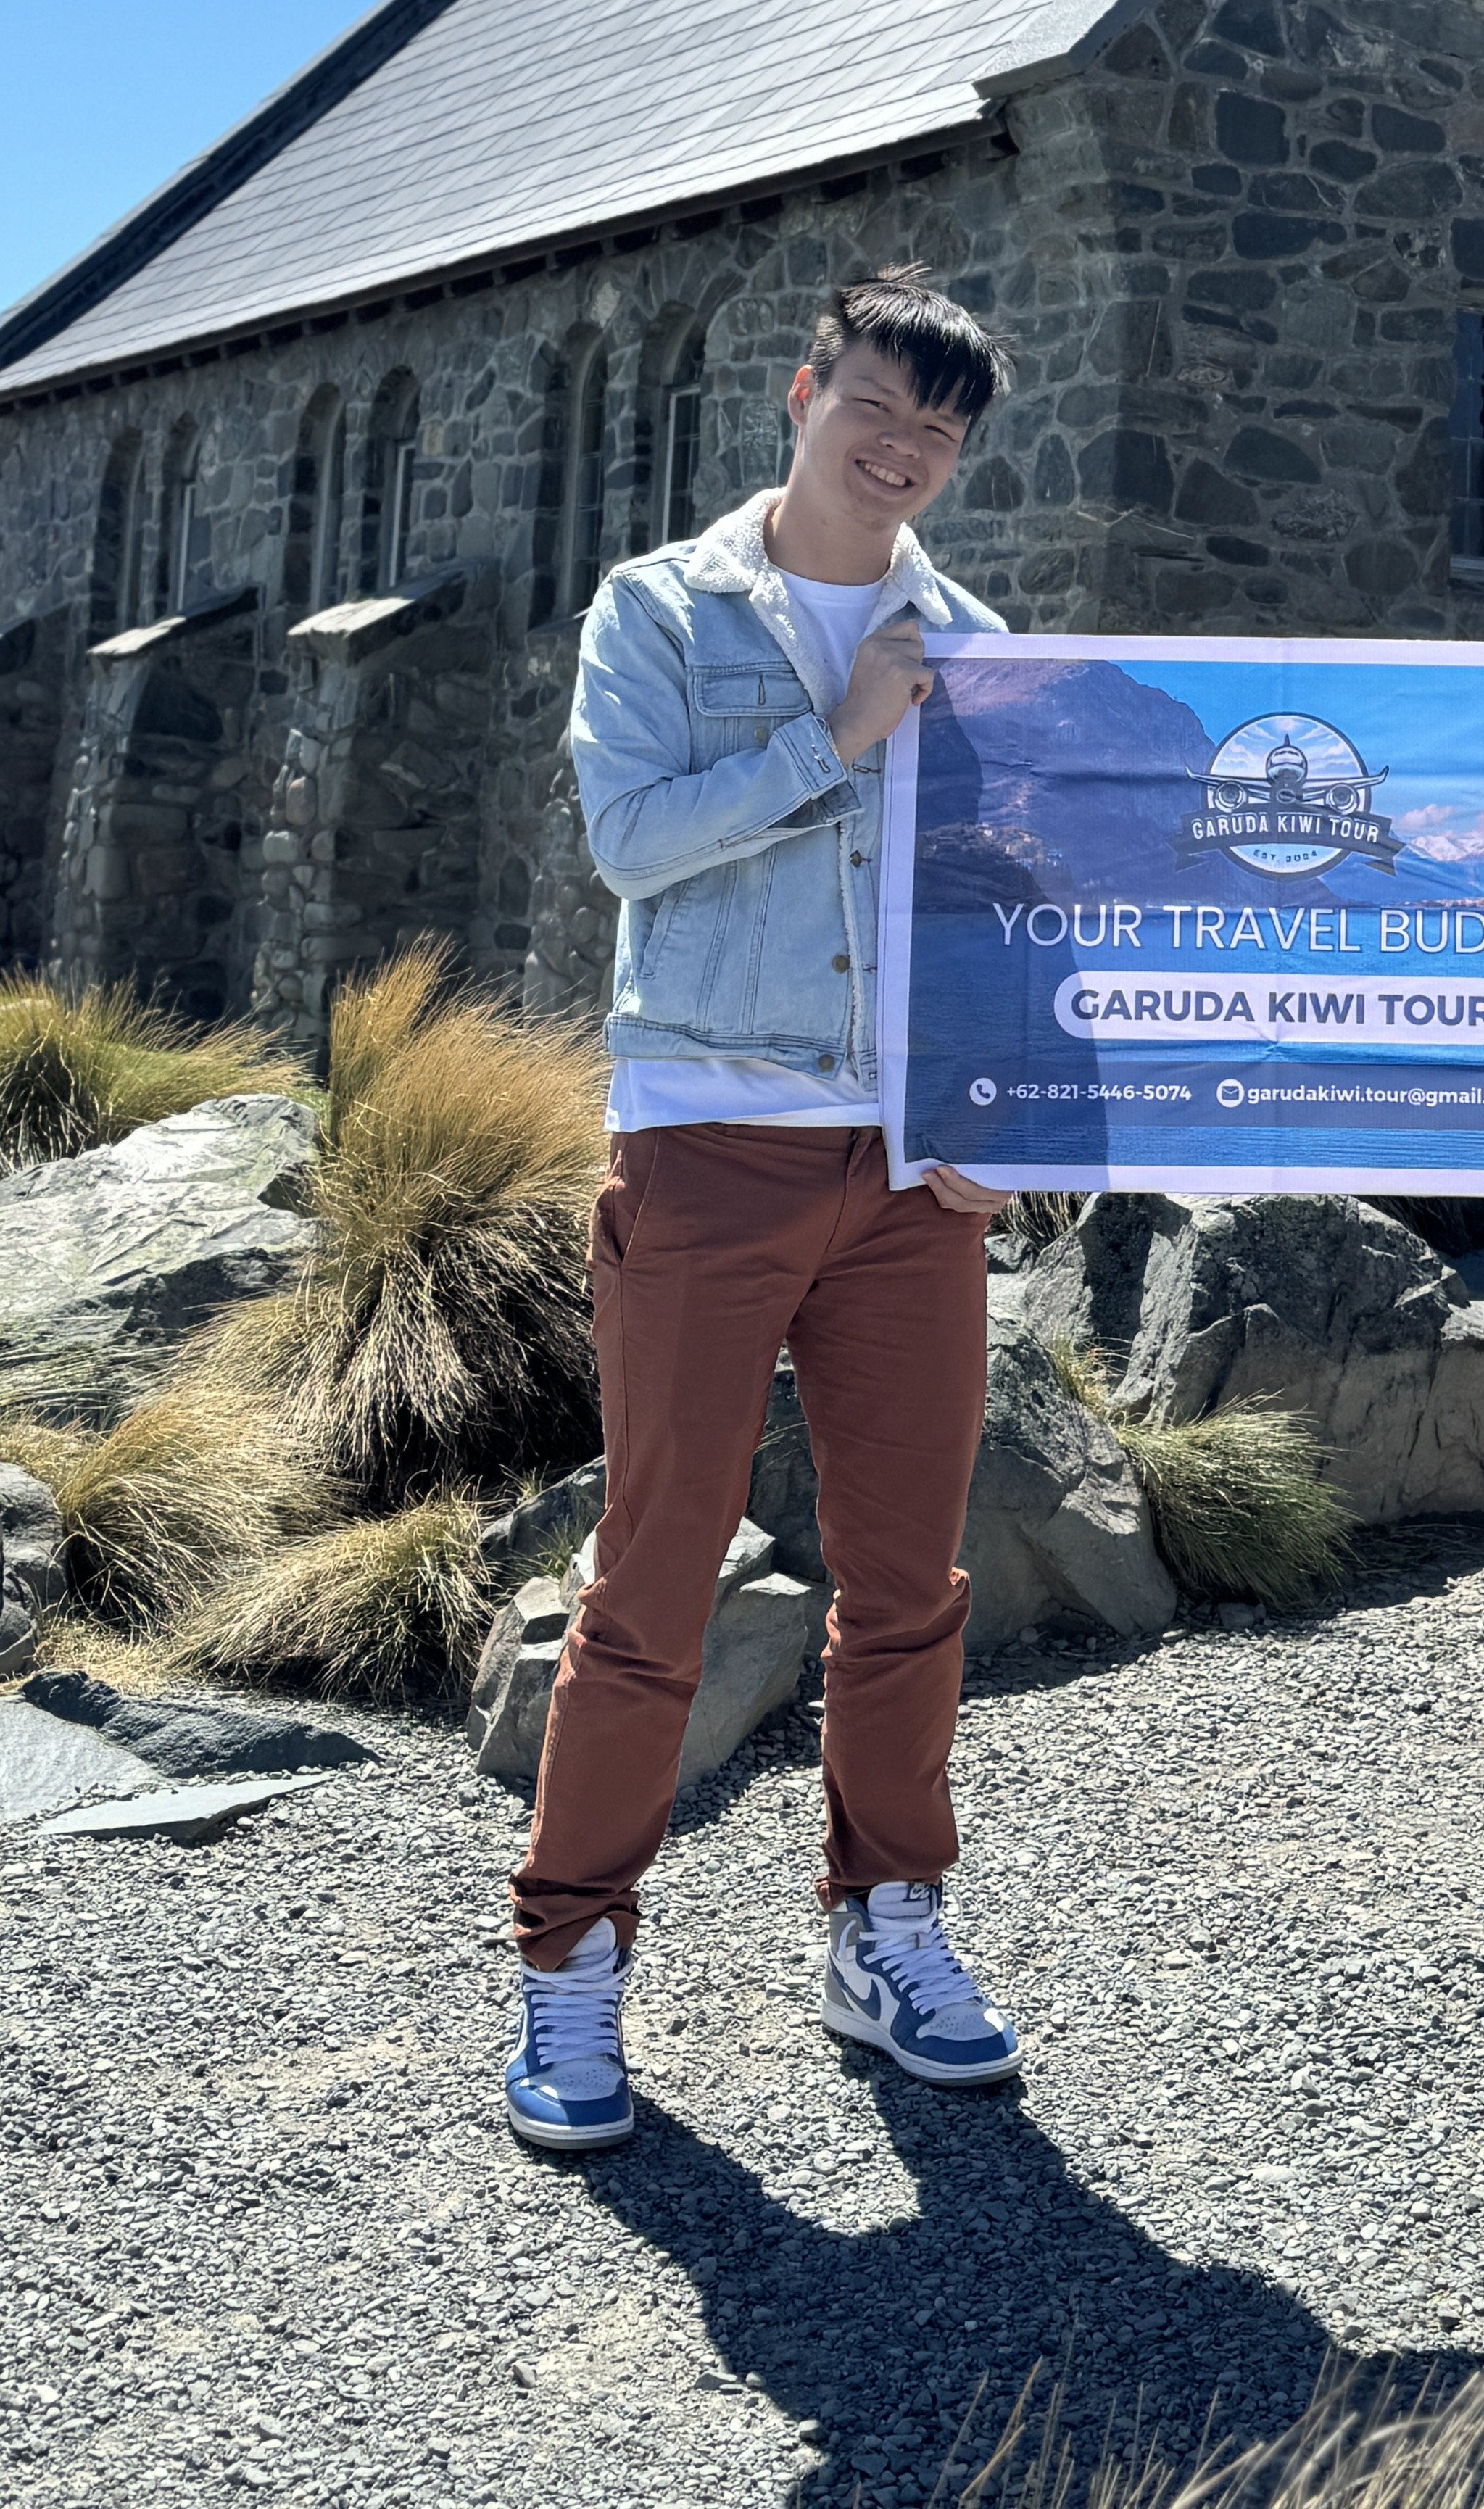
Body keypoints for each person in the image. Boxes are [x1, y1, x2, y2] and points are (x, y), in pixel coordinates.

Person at [502, 263, 1025, 2154]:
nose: (900, 450)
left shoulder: (978, 642)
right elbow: (629, 844)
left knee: (910, 1584)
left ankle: (885, 1923)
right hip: (707, 1143)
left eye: (936, 431)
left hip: (909, 1174)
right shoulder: (660, 607)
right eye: (873, 408)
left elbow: (1007, 908)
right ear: (806, 396)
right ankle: (572, 1962)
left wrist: (1003, 1117)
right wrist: (838, 737)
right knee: (653, 1581)